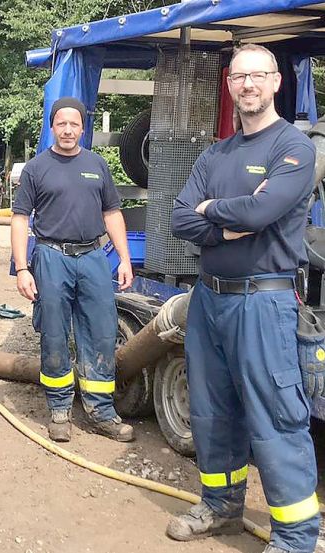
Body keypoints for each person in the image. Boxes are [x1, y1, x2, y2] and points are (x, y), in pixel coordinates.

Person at [168, 44, 319, 553]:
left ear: (276, 82)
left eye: (258, 76)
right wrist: (225, 225)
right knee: (212, 410)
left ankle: (296, 537)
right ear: (229, 84)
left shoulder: (293, 147)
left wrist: (213, 210)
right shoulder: (217, 152)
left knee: (275, 414)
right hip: (209, 299)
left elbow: (262, 214)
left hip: (264, 302)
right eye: (239, 77)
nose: (248, 85)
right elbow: (178, 218)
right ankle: (220, 506)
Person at [10, 96, 135, 443]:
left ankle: (100, 411)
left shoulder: (97, 165)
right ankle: (60, 408)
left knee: (101, 331)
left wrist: (124, 258)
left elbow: (112, 213)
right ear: (52, 127)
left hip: (94, 258)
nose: (67, 129)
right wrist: (22, 267)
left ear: (83, 128)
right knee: (53, 332)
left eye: (74, 124)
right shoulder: (37, 168)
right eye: (61, 123)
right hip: (51, 257)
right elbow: (20, 219)